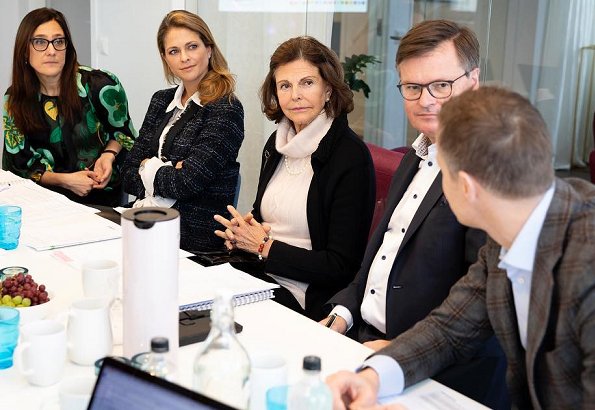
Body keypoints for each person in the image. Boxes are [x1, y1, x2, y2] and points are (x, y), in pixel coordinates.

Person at [327, 86, 595, 409]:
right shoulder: (505, 236)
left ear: (466, 187)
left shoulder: (587, 262)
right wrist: (373, 377)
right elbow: (449, 329)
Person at [320, 20, 505, 408]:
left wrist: (400, 354)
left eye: (441, 85)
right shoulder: (414, 156)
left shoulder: (489, 170)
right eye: (413, 87)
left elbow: (481, 306)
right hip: (364, 344)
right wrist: (344, 312)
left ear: (473, 81)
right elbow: (380, 255)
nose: (426, 100)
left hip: (440, 373)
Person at [214, 36, 375, 320]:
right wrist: (241, 234)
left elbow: (341, 266)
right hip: (259, 273)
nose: (295, 95)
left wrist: (264, 247)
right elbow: (264, 215)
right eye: (285, 86)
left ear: (328, 89)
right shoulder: (276, 144)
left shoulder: (350, 156)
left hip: (304, 294)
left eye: (307, 83)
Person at [121, 10, 244, 253]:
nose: (184, 58)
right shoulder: (161, 100)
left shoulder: (225, 108)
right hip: (143, 222)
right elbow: (126, 174)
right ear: (165, 58)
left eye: (192, 47)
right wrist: (170, 170)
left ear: (209, 49)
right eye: (174, 51)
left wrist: (148, 166)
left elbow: (187, 182)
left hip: (191, 238)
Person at [2, 7, 136, 207]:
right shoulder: (15, 98)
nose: (51, 51)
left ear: (67, 48)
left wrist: (108, 156)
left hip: (102, 198)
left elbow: (124, 134)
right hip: (44, 202)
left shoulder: (101, 85)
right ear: (24, 51)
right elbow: (20, 165)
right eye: (40, 42)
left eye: (58, 41)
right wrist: (65, 180)